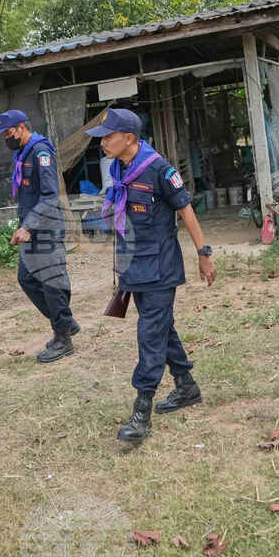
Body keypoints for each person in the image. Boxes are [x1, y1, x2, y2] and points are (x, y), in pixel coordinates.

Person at [85, 108, 216, 444]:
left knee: (149, 335)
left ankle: (141, 411)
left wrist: (204, 254)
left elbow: (186, 209)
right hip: (133, 265)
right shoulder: (119, 168)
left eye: (108, 136)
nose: (102, 143)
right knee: (161, 328)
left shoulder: (159, 169)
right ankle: (186, 386)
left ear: (129, 137)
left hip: (159, 268)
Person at [0, 110, 80, 363]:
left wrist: (28, 226)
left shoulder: (41, 152)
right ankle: (64, 323)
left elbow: (51, 196)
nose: (6, 138)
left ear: (21, 128)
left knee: (51, 282)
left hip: (45, 227)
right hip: (30, 227)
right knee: (27, 278)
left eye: (8, 133)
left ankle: (63, 338)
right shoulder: (22, 152)